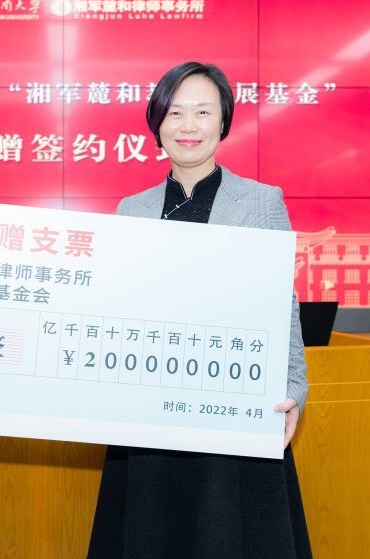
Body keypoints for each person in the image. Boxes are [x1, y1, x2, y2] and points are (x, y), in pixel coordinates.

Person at [87, 61, 311, 559]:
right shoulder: (132, 209)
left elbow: (284, 303)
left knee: (226, 533)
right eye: (176, 113)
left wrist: (294, 387)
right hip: (148, 415)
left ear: (223, 121)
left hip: (231, 407)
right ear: (158, 124)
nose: (188, 126)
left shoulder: (261, 202)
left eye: (203, 112)